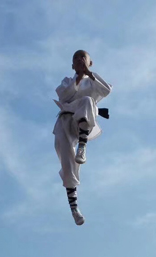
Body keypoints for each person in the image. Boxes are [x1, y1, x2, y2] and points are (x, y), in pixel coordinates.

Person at [53, 49, 112, 226]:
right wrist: (78, 78)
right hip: (65, 123)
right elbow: (64, 96)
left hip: (82, 121)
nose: (79, 60)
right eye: (75, 58)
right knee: (68, 165)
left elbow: (106, 91)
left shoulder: (93, 81)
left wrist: (88, 74)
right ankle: (74, 207)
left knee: (87, 101)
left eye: (82, 57)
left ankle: (82, 147)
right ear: (72, 65)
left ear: (90, 62)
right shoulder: (67, 81)